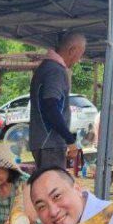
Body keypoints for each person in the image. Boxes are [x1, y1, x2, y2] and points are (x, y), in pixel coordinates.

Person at [29, 31, 86, 169]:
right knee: (52, 188)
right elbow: (50, 107)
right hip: (50, 143)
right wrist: (69, 140)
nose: (79, 60)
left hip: (45, 143)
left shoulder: (46, 67)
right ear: (72, 50)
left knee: (48, 186)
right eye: (80, 54)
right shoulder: (55, 70)